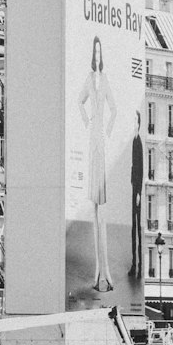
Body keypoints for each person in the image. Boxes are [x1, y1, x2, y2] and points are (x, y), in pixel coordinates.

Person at [77, 35, 116, 292]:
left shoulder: (105, 81)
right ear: (94, 55)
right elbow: (80, 101)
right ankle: (98, 269)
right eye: (96, 53)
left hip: (100, 141)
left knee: (101, 208)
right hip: (93, 142)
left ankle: (105, 269)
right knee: (94, 206)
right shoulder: (90, 79)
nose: (98, 57)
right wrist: (87, 122)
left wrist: (107, 131)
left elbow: (115, 109)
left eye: (101, 53)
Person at [129, 109, 144, 278]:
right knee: (134, 228)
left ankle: (137, 265)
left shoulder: (138, 142)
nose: (133, 124)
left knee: (137, 228)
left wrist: (139, 192)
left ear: (138, 123)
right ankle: (135, 265)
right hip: (134, 188)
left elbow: (140, 168)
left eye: (135, 120)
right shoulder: (134, 141)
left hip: (137, 191)